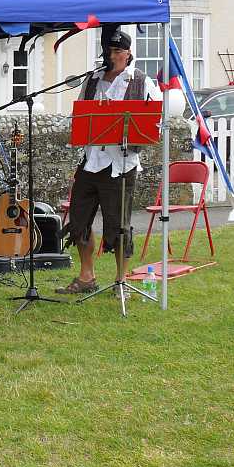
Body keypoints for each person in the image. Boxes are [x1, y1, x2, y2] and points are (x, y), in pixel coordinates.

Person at [57, 30, 159, 295]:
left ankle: (120, 281)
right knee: (78, 220)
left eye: (117, 52)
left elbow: (152, 120)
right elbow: (79, 114)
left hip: (121, 164)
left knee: (119, 225)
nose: (111, 56)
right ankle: (86, 276)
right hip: (92, 160)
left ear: (127, 54)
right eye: (108, 51)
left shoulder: (141, 81)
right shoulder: (92, 80)